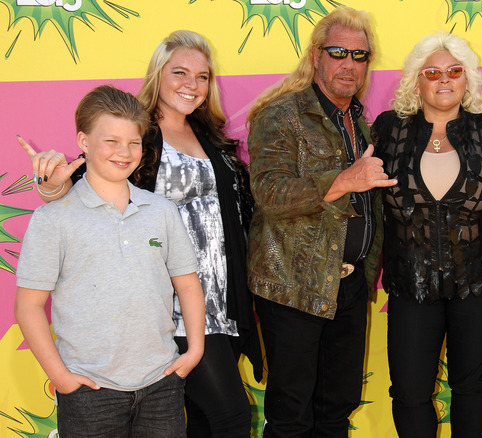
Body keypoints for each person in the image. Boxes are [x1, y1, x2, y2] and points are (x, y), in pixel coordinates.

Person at [18, 30, 261, 437]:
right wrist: (50, 188)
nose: (192, 84)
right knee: (230, 416)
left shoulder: (211, 136)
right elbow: (85, 184)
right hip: (165, 311)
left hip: (218, 300)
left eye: (202, 76)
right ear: (158, 74)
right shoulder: (137, 132)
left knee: (202, 420)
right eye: (180, 72)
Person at [14, 85, 206, 437]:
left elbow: (188, 284)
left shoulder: (161, 211)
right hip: (88, 391)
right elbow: (28, 306)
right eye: (111, 141)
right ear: (83, 142)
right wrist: (61, 377)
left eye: (133, 142)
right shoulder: (53, 219)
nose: (124, 152)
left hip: (161, 384)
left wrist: (194, 351)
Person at [245, 6, 395, 437]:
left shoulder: (360, 122)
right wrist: (343, 180)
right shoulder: (281, 114)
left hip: (348, 287)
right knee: (292, 414)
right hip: (293, 285)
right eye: (338, 52)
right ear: (316, 55)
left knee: (337, 410)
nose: (350, 64)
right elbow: (269, 192)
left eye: (360, 55)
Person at [370, 32, 482, 437]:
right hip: (410, 282)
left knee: (471, 386)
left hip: (479, 282)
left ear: (468, 79)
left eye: (454, 71)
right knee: (409, 392)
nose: (444, 80)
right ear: (416, 82)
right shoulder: (389, 129)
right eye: (432, 73)